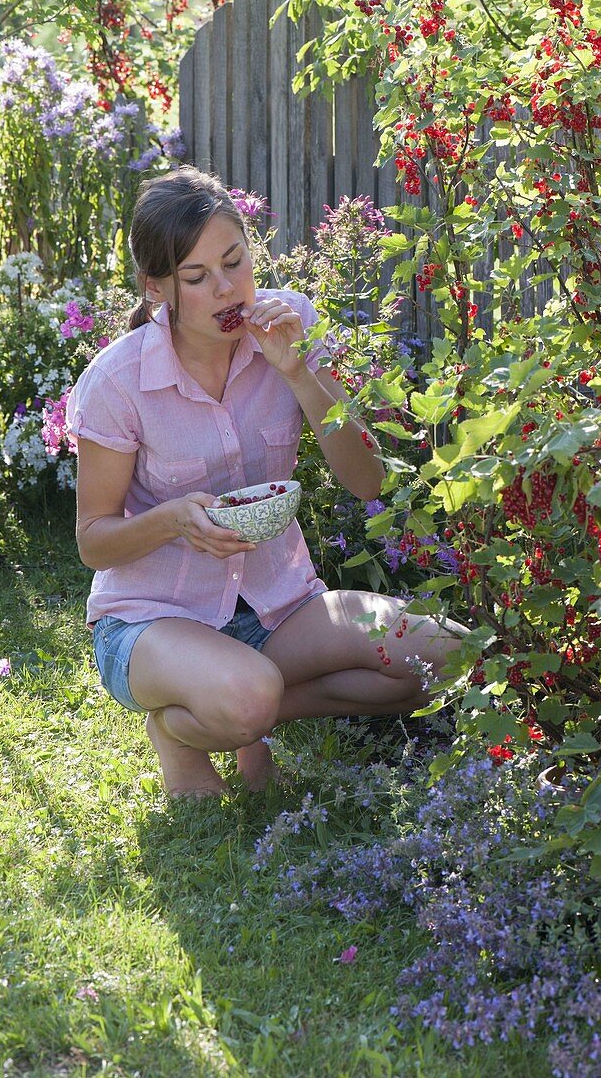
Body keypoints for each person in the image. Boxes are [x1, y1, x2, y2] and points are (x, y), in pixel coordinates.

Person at [66, 166, 466, 798]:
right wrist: (175, 519)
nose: (226, 289)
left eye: (235, 261)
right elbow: (94, 541)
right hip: (153, 619)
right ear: (158, 289)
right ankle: (191, 726)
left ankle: (217, 716)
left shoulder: (291, 324)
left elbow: (366, 482)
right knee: (248, 695)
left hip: (281, 604)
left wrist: (301, 371)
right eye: (197, 278)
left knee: (440, 654)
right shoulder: (118, 382)